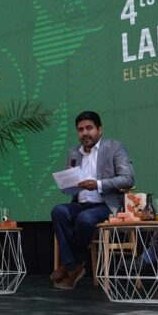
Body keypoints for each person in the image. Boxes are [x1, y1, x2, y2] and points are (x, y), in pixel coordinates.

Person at [50, 111, 134, 290]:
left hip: (106, 205)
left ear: (100, 130)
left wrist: (97, 184)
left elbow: (128, 178)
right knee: (59, 211)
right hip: (80, 203)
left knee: (85, 219)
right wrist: (68, 179)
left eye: (89, 128)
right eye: (80, 130)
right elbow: (72, 186)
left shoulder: (115, 148)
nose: (85, 133)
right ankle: (74, 266)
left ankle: (71, 265)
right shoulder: (74, 152)